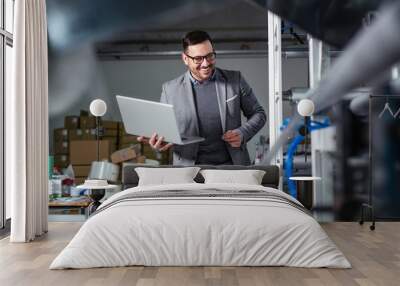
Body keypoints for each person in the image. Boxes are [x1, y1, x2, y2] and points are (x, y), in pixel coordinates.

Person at [139, 30, 266, 166]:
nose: (205, 64)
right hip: (188, 171)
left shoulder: (235, 80)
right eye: (198, 59)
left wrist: (242, 133)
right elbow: (163, 131)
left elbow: (259, 114)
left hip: (232, 167)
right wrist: (158, 143)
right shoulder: (170, 90)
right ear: (185, 59)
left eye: (210, 56)